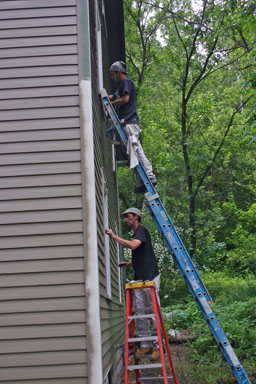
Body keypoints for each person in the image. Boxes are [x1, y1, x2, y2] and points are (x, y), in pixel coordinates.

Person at [105, 207, 161, 361]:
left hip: (150, 278)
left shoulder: (141, 230)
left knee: (153, 313)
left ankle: (157, 347)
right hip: (139, 279)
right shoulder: (137, 234)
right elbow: (141, 254)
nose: (126, 220)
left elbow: (133, 246)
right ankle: (145, 345)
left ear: (136, 217)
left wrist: (114, 236)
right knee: (140, 313)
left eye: (128, 217)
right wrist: (130, 263)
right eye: (125, 217)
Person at [108, 61, 157, 194]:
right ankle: (144, 178)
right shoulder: (122, 86)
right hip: (128, 122)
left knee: (135, 148)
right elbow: (115, 95)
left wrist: (110, 103)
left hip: (129, 121)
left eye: (112, 75)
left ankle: (149, 174)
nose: (112, 78)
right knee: (133, 151)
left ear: (118, 73)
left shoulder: (126, 82)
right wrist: (105, 98)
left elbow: (125, 99)